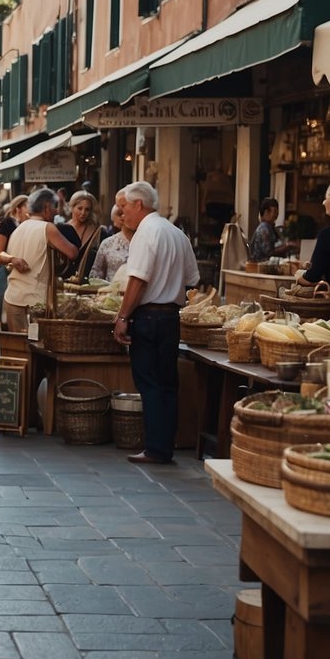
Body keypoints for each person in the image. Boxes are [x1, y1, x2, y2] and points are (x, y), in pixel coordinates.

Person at [112, 181, 200, 465]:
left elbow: (137, 280)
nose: (121, 213)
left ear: (139, 204)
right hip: (171, 317)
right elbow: (192, 280)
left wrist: (123, 316)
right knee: (167, 382)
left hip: (149, 316)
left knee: (149, 381)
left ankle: (155, 448)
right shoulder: (176, 233)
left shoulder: (145, 233)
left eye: (124, 207)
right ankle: (164, 444)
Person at [0, 188, 79, 332]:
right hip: (35, 303)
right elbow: (72, 253)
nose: (56, 212)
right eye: (55, 207)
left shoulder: (19, 228)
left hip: (12, 298)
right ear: (47, 207)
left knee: (19, 350)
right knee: (34, 350)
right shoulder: (47, 228)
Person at [0, 194, 28, 323]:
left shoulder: (30, 225)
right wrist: (12, 259)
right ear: (18, 209)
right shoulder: (7, 223)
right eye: (27, 207)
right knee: (7, 318)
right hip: (8, 274)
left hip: (25, 277)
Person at [57, 190, 110, 280]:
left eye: (87, 209)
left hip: (89, 281)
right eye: (80, 208)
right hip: (65, 281)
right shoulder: (62, 229)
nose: (83, 213)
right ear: (72, 207)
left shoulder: (99, 232)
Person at [90, 204, 134, 282]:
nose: (123, 217)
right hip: (109, 291)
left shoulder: (146, 241)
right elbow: (95, 274)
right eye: (120, 214)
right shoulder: (108, 243)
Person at [248, 197, 294, 262]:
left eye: (277, 212)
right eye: (275, 211)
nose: (276, 215)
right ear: (266, 212)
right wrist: (287, 245)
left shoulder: (269, 227)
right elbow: (269, 252)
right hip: (261, 268)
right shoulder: (263, 228)